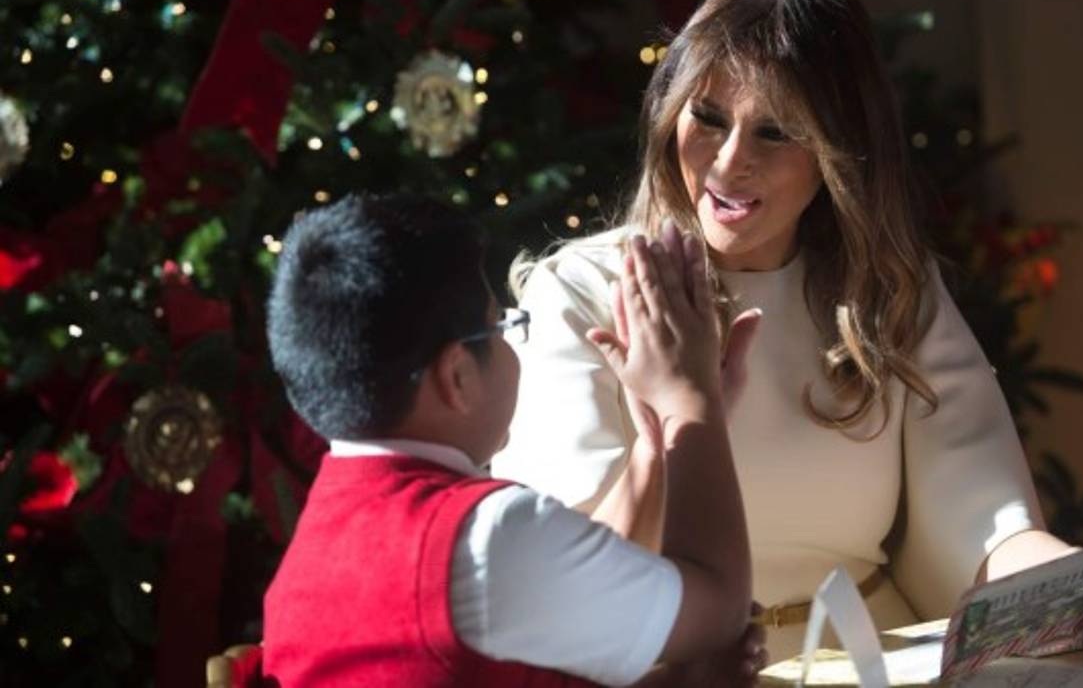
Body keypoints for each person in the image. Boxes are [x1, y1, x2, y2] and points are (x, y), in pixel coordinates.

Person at [492, 0, 1083, 658]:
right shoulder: (582, 292)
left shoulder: (889, 291)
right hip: (679, 668)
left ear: (839, 149)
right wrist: (673, 426)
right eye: (707, 117)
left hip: (878, 663)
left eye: (776, 132)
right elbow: (565, 573)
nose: (728, 163)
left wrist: (1081, 587)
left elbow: (983, 527)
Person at [261, 193, 765, 687]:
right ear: (457, 376)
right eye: (500, 326)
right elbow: (718, 614)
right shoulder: (490, 534)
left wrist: (656, 446)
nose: (510, 342)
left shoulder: (313, 548)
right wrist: (691, 403)